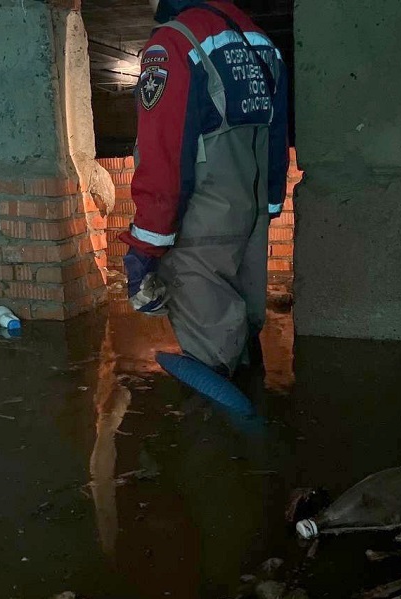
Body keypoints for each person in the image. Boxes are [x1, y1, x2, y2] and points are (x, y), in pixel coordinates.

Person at [121, 0, 289, 379]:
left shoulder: (174, 43)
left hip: (200, 224)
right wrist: (268, 208)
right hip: (250, 216)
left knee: (211, 357)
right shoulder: (261, 43)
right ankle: (255, 409)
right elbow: (277, 137)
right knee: (243, 340)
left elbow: (163, 153)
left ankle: (217, 417)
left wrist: (145, 247)